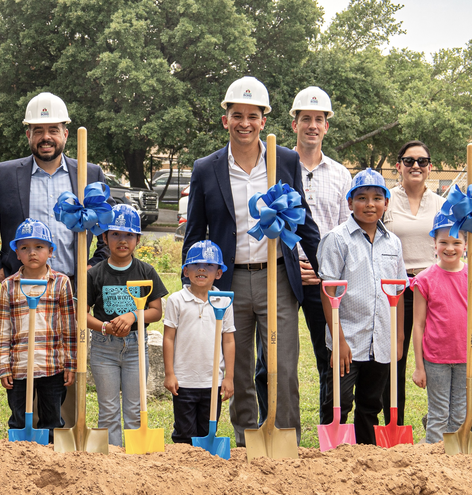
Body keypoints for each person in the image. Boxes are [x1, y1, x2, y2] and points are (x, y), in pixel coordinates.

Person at [182, 76, 321, 447]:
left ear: (264, 120)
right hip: (229, 281)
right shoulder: (206, 168)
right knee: (238, 366)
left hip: (277, 276)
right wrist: (192, 286)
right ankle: (246, 437)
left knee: (283, 365)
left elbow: (303, 219)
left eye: (253, 116)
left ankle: (285, 435)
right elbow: (196, 230)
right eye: (237, 115)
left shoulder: (285, 160)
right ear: (225, 119)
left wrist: (321, 267)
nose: (245, 123)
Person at [0, 91, 108, 428]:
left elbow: (108, 225)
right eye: (38, 130)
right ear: (28, 134)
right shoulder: (7, 174)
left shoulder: (89, 173)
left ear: (65, 133)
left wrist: (94, 264)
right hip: (25, 284)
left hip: (71, 285)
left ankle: (67, 432)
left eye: (53, 130)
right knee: (26, 354)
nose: (46, 138)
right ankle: (25, 425)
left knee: (69, 355)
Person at [317, 168, 406, 445]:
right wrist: (340, 340)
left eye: (377, 198)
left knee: (371, 404)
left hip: (380, 339)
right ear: (350, 203)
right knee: (339, 402)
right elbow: (328, 291)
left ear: (386, 203)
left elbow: (399, 290)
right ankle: (332, 457)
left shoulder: (393, 242)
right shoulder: (338, 239)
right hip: (348, 340)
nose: (370, 204)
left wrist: (399, 336)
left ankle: (368, 457)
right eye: (362, 198)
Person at [284, 86, 350, 427]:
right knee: (277, 356)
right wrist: (295, 263)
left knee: (329, 356)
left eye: (319, 120)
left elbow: (342, 233)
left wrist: (324, 272)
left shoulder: (340, 175)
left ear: (327, 126)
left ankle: (331, 426)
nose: (312, 125)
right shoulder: (277, 166)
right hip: (282, 274)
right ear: (294, 123)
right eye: (305, 118)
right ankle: (280, 424)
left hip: (322, 281)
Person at [84, 204, 168, 446]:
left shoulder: (146, 271)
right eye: (115, 234)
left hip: (135, 348)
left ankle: (135, 461)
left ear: (138, 239)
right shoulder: (95, 274)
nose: (122, 240)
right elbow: (83, 315)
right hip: (103, 348)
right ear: (104, 238)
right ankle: (112, 462)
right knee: (108, 410)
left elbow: (156, 312)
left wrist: (133, 315)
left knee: (134, 408)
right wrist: (104, 327)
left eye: (129, 235)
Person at [410, 210, 472, 444]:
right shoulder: (425, 279)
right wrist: (419, 366)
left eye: (457, 242)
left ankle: (456, 464)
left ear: (466, 245)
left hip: (468, 357)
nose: (450, 248)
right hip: (435, 359)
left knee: (459, 413)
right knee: (438, 414)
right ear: (434, 244)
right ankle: (435, 463)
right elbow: (418, 324)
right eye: (443, 242)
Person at [383, 139, 445, 426]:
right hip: (394, 289)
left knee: (436, 358)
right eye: (409, 161)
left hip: (431, 290)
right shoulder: (385, 201)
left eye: (422, 161)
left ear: (430, 168)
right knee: (395, 357)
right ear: (398, 166)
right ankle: (393, 423)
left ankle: (440, 422)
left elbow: (452, 244)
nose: (415, 166)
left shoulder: (442, 204)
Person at [0, 219, 76, 432]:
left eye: (39, 247)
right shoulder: (9, 286)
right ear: (17, 253)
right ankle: (19, 458)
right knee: (19, 422)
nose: (32, 252)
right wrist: (4, 366)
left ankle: (50, 460)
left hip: (52, 366)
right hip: (19, 367)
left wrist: (70, 363)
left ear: (50, 251)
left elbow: (69, 328)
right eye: (25, 248)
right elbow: (3, 330)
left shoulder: (61, 283)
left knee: (52, 422)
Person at [163, 240, 236, 445]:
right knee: (184, 434)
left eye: (209, 265)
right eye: (195, 264)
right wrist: (170, 373)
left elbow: (228, 340)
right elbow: (168, 338)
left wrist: (228, 378)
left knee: (207, 431)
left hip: (213, 382)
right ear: (186, 271)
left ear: (219, 273)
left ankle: (205, 472)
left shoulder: (224, 301)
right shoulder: (176, 300)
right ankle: (184, 473)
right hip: (184, 381)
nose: (201, 268)